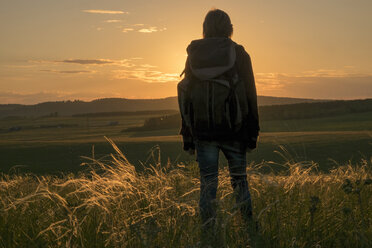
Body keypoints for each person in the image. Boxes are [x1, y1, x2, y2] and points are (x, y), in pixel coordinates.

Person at [177, 8, 260, 241]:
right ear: (229, 28)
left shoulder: (193, 54)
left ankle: (208, 235)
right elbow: (251, 95)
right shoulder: (239, 53)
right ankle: (250, 232)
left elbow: (187, 97)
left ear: (205, 28)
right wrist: (253, 134)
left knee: (208, 186)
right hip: (235, 130)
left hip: (203, 133)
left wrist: (188, 136)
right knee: (240, 182)